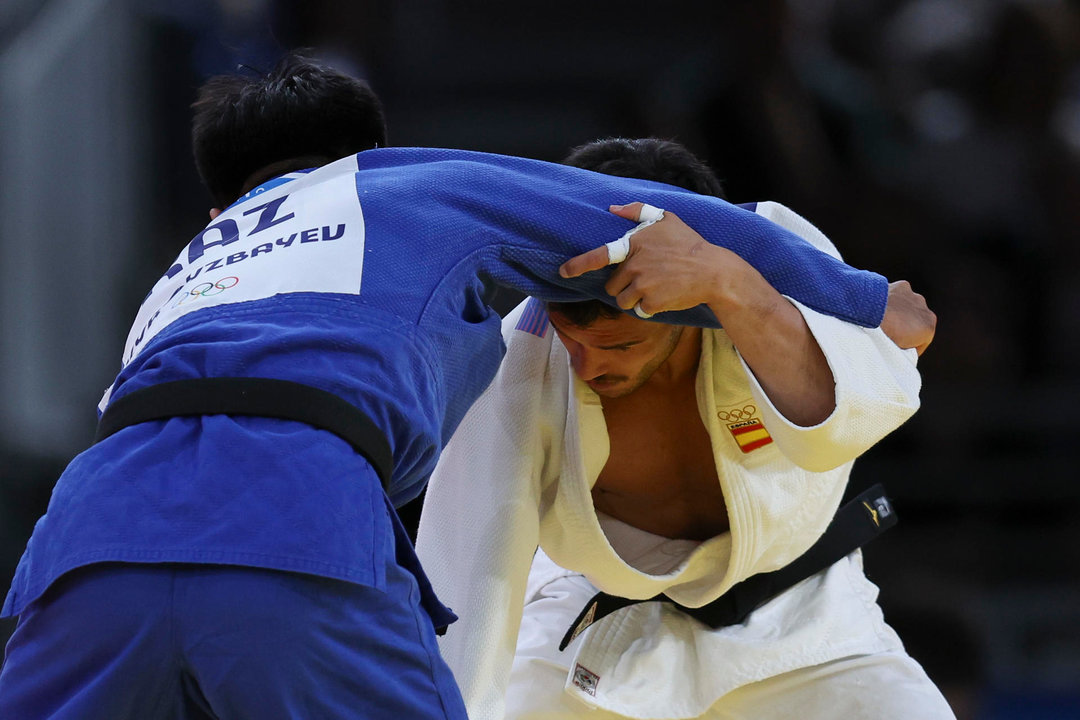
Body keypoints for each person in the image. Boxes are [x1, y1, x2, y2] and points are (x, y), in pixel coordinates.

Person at [0, 57, 901, 719]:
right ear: (373, 159)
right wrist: (867, 302)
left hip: (83, 535)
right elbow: (660, 218)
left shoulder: (184, 274)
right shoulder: (404, 190)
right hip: (290, 508)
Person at [415, 138, 956, 719]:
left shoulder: (778, 271)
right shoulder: (519, 361)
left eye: (619, 344)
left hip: (806, 622)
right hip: (591, 631)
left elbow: (845, 425)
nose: (587, 366)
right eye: (573, 340)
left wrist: (731, 285)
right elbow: (466, 572)